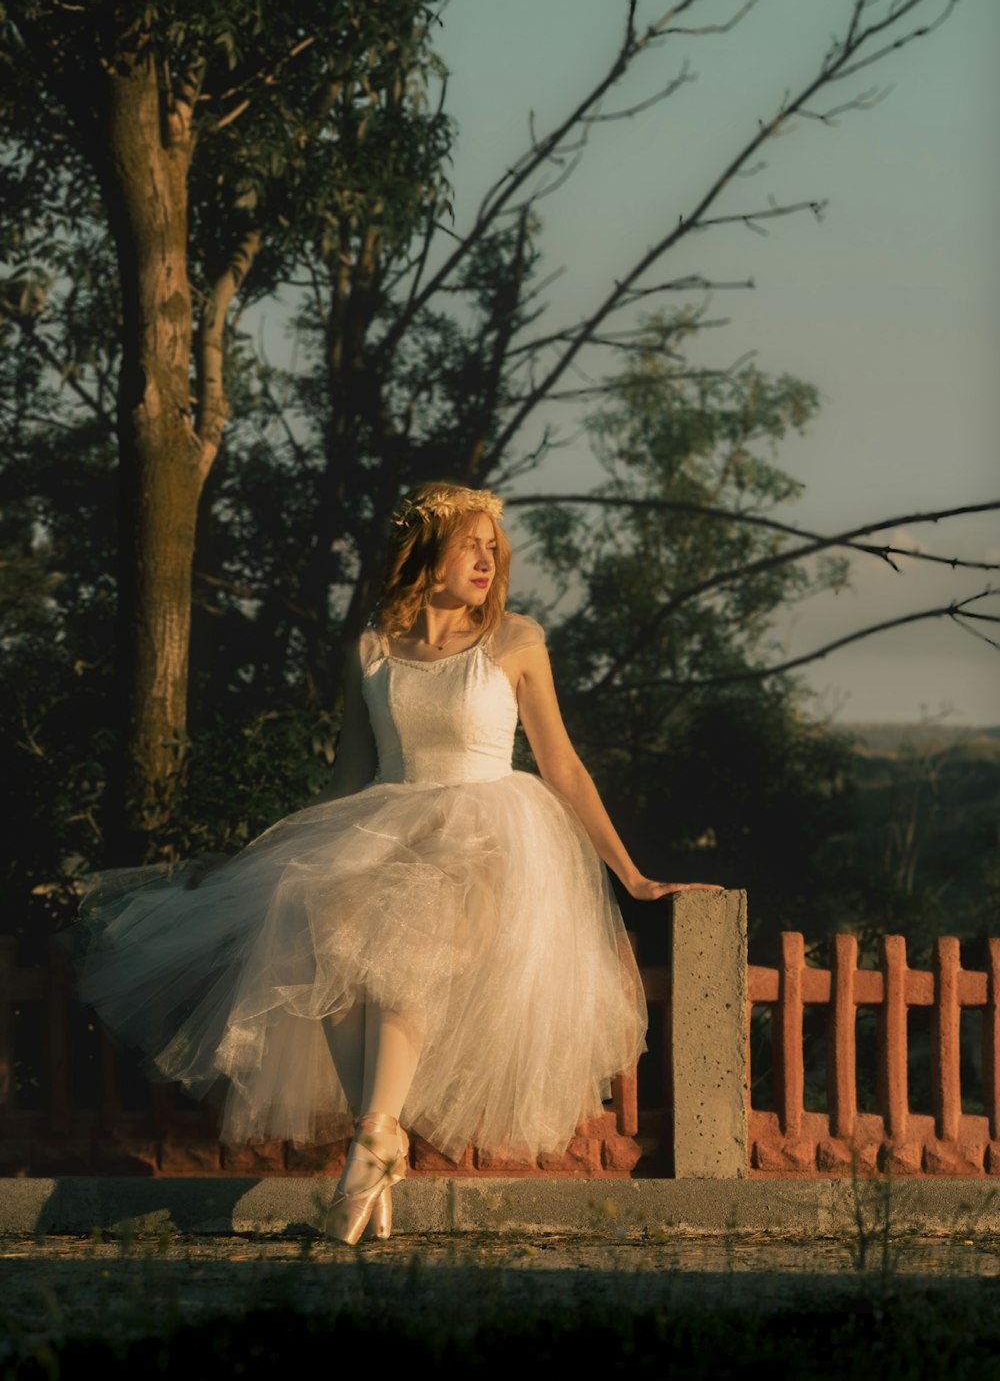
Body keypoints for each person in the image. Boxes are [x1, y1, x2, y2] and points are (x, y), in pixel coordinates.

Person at [72, 481, 721, 1244]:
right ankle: (379, 1134)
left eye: (492, 547)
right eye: (469, 544)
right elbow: (349, 779)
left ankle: (375, 1141)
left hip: (490, 832)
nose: (486, 559)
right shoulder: (373, 651)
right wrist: (264, 856)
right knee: (317, 931)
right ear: (426, 551)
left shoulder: (515, 641)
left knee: (408, 948)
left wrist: (633, 875)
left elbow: (564, 768)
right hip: (386, 820)